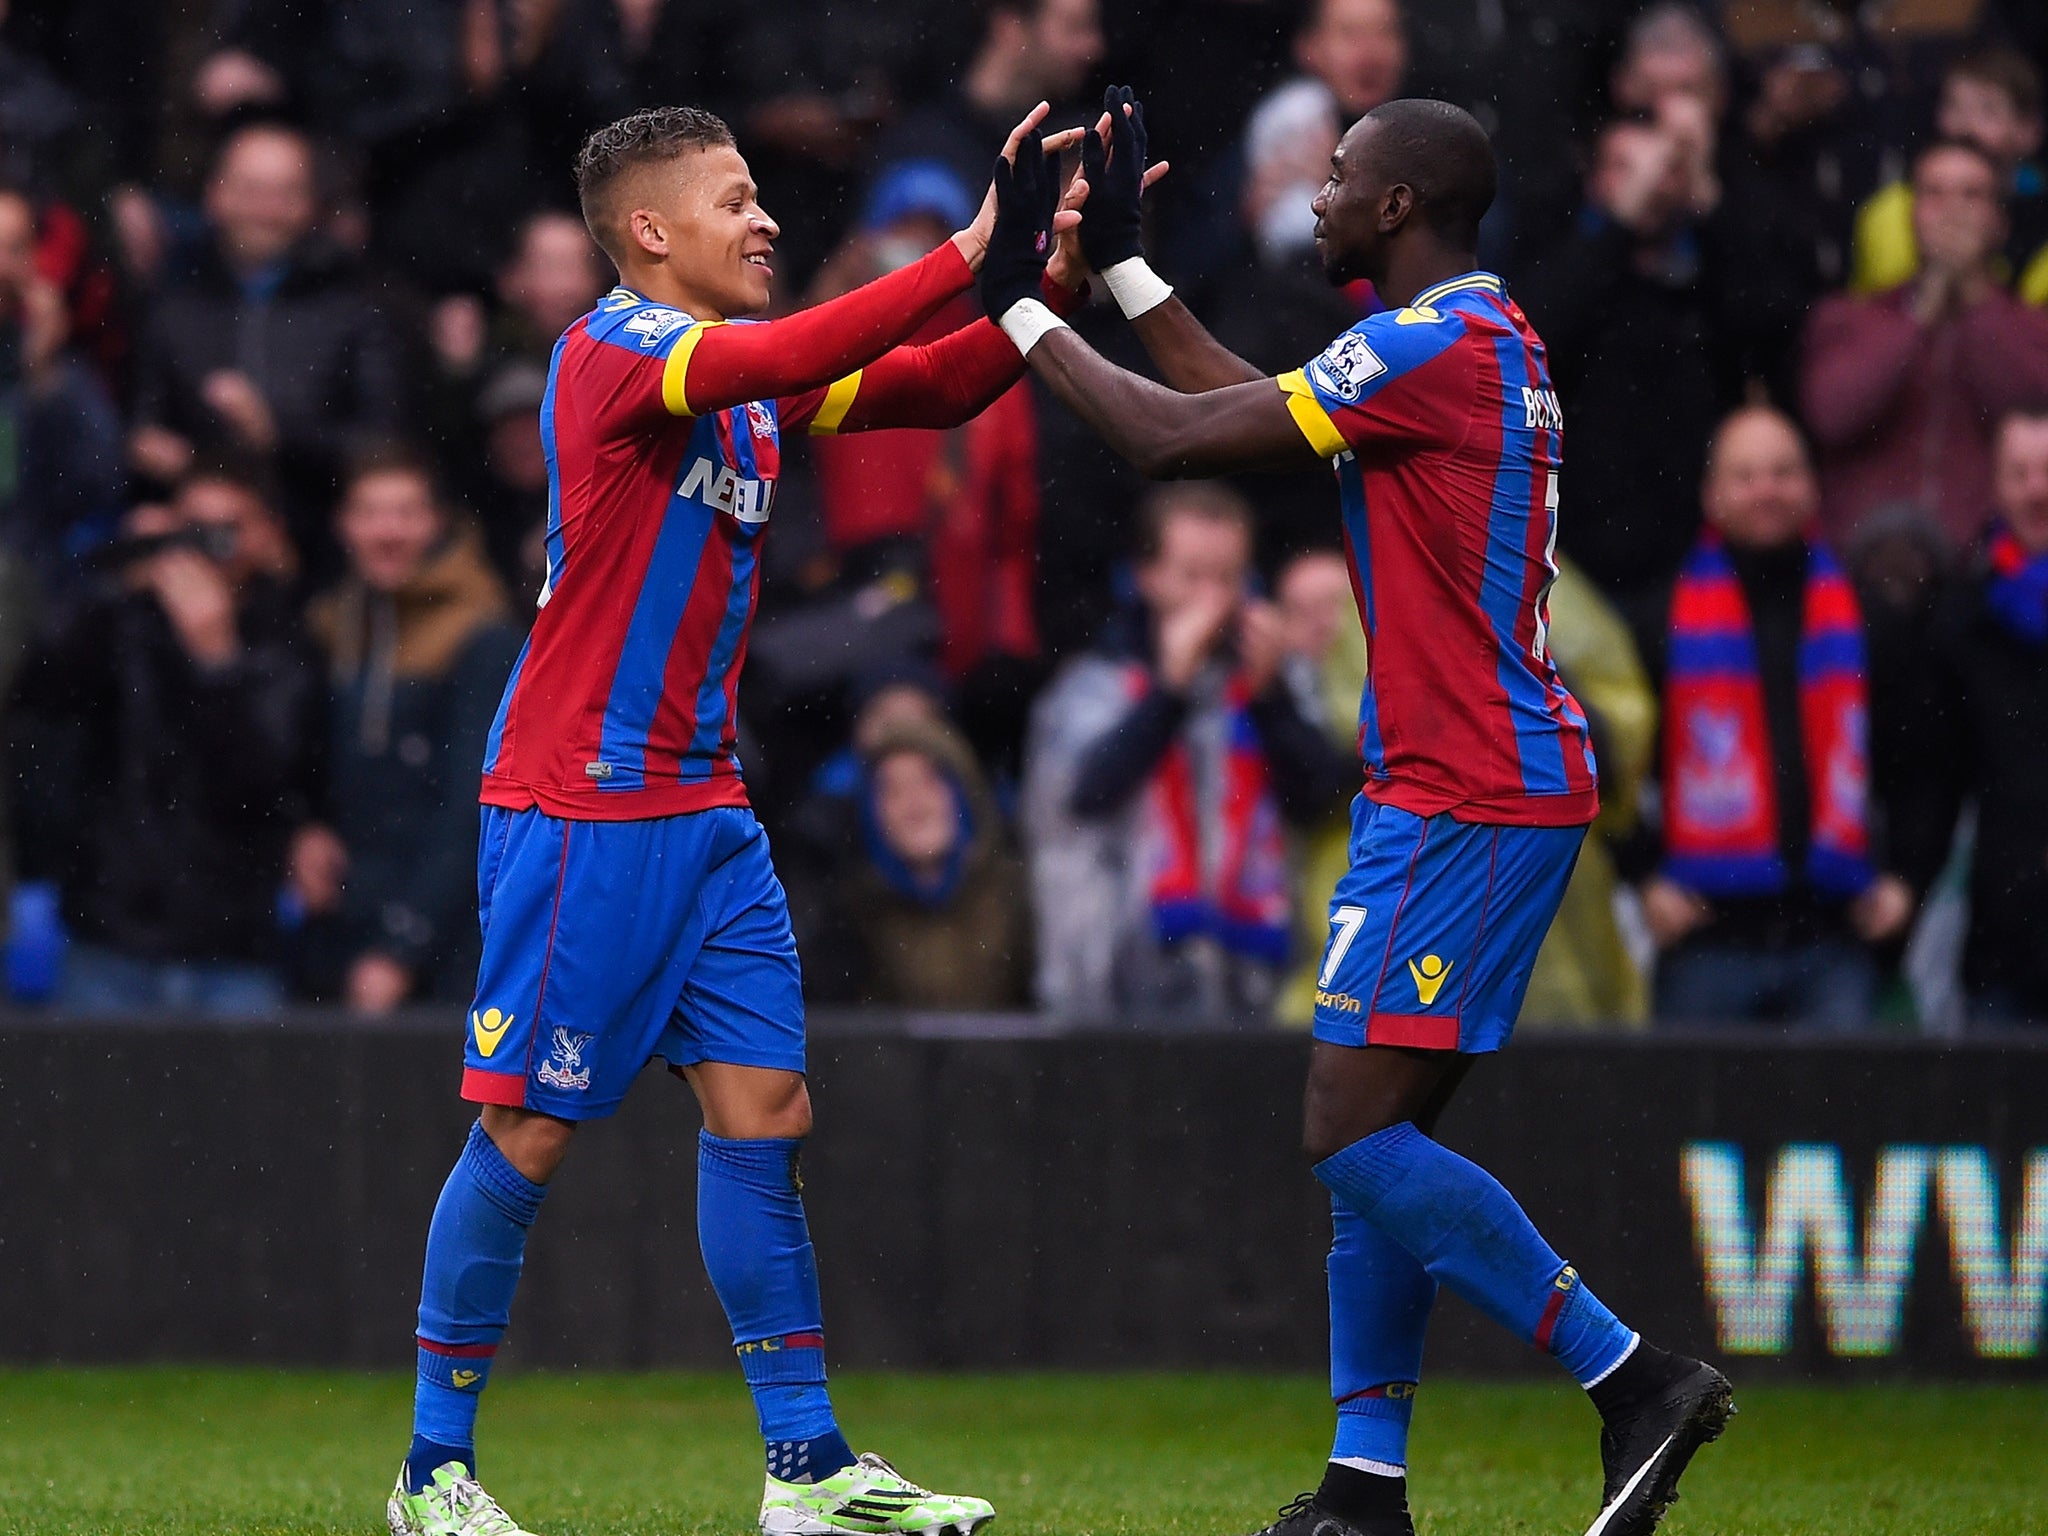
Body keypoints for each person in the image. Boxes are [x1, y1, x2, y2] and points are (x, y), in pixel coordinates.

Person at [979, 87, 1730, 1536]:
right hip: (1466, 781)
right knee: (1373, 1144)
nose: (1316, 195)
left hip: (1470, 790)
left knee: (1348, 1131)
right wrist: (1127, 263)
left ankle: (1631, 1377)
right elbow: (1223, 398)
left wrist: (1018, 307)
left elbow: (1171, 441)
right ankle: (1362, 1493)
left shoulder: (1438, 344)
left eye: (1338, 176)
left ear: (1399, 207)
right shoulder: (1463, 343)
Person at [386, 101, 1095, 1536]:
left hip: (703, 806)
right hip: (584, 799)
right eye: (735, 200)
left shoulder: (750, 387)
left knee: (766, 1109)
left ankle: (808, 1471)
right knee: (525, 1132)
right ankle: (432, 1474)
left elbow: (938, 389)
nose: (765, 219)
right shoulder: (617, 355)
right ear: (651, 232)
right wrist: (969, 246)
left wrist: (1052, 284)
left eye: (762, 195)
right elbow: (793, 347)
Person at [1022, 483, 1353, 1023]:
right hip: (1119, 987)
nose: (1214, 599)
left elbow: (1320, 799)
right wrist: (1168, 694)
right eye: (1192, 576)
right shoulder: (1096, 679)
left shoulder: (1275, 679)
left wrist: (1272, 701)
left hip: (1259, 985)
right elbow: (1080, 797)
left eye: (1228, 578)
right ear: (1148, 576)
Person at [1634, 406, 1914, 1028]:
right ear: (1712, 495)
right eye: (1747, 475)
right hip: (1704, 943)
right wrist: (1644, 876)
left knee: (1838, 1124)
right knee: (1691, 1125)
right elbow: (1607, 768)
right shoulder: (1658, 622)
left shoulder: (1870, 622)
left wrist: (1906, 876)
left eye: (1784, 472)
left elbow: (1921, 763)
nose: (1767, 490)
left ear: (1813, 486)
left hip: (1835, 942)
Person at [17, 463, 316, 1016]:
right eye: (192, 529)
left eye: (225, 530)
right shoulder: (123, 618)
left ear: (262, 534)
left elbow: (265, 781)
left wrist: (216, 659)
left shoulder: (285, 635)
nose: (207, 549)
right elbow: (40, 694)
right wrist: (117, 577)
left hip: (232, 947)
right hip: (112, 936)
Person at [295, 445, 521, 1013]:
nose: (386, 531)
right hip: (346, 918)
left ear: (436, 522)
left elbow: (472, 808)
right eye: (369, 512)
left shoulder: (482, 636)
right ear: (344, 525)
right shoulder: (333, 623)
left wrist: (403, 946)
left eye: (405, 512)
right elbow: (310, 760)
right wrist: (305, 827)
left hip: (448, 935)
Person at [127, 120, 405, 566]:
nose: (265, 209)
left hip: (321, 548)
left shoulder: (356, 309)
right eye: (250, 189)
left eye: (284, 193)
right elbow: (142, 429)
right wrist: (176, 463)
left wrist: (278, 436)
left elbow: (383, 447)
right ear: (214, 194)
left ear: (310, 205)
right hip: (199, 542)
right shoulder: (170, 307)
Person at [1802, 138, 2048, 548]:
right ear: (1911, 215)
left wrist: (1975, 298)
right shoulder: (1849, 317)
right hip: (1866, 557)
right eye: (1934, 193)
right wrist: (1921, 311)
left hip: (1993, 567)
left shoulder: (2032, 326)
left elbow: (2029, 411)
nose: (1952, 209)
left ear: (2000, 221)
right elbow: (1832, 416)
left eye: (1971, 194)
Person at [1892, 408, 2048, 1024]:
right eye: (2021, 473)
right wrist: (1904, 878)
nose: (2038, 489)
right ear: (1996, 484)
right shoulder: (1961, 619)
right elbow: (1931, 778)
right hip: (2005, 932)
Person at [839, 714, 1032, 1010]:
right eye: (893, 790)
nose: (914, 804)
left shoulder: (1022, 902)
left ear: (964, 794)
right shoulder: (849, 922)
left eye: (928, 781)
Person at [1851, 47, 2048, 305]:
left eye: (1987, 110)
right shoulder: (1892, 213)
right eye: (1953, 105)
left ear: (2029, 131)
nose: (1964, 125)